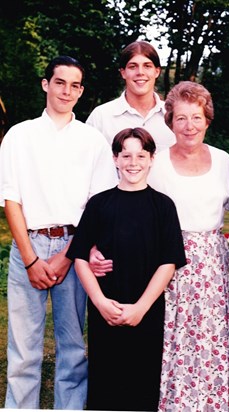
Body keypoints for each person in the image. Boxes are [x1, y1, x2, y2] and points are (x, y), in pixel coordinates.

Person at [0, 55, 118, 409]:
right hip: (28, 245)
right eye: (60, 82)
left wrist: (68, 256)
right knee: (23, 349)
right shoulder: (20, 136)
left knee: (73, 346)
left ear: (81, 91)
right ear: (45, 84)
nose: (67, 91)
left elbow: (98, 207)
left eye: (75, 85)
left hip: (75, 246)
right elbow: (11, 200)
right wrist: (31, 259)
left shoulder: (92, 140)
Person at [66, 127, 186, 411]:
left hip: (147, 312)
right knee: (106, 383)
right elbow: (81, 256)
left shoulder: (163, 206)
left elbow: (168, 262)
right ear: (115, 159)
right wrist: (99, 302)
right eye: (126, 155)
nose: (134, 162)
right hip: (105, 310)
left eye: (141, 155)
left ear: (152, 158)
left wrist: (142, 307)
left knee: (141, 385)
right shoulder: (99, 204)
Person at [148, 81, 229, 411]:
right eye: (181, 118)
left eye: (196, 117)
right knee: (173, 341)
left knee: (211, 342)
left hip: (212, 266)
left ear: (207, 119)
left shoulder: (225, 161)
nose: (189, 126)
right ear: (170, 122)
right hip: (168, 263)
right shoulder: (155, 163)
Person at [86, 40, 176, 153]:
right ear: (123, 72)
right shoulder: (101, 117)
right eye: (133, 66)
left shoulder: (174, 116)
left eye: (147, 66)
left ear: (157, 71)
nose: (140, 72)